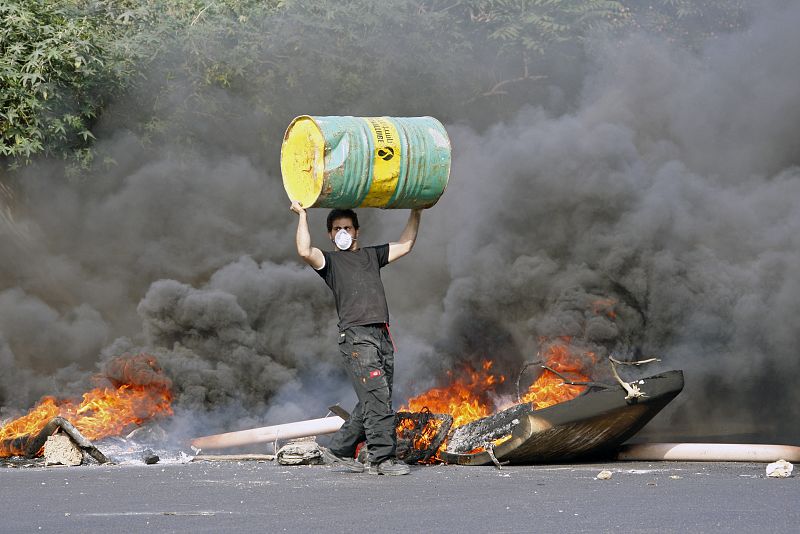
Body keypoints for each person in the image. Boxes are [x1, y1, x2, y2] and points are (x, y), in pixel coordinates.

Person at [290, 200, 421, 476]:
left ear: (356, 231)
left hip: (382, 335)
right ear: (329, 234)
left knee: (377, 398)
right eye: (337, 228)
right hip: (356, 338)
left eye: (347, 227)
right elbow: (304, 250)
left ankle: (339, 449)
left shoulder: (373, 256)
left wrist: (416, 211)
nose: (342, 232)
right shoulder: (330, 262)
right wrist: (302, 216)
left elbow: (406, 245)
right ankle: (381, 459)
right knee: (376, 396)